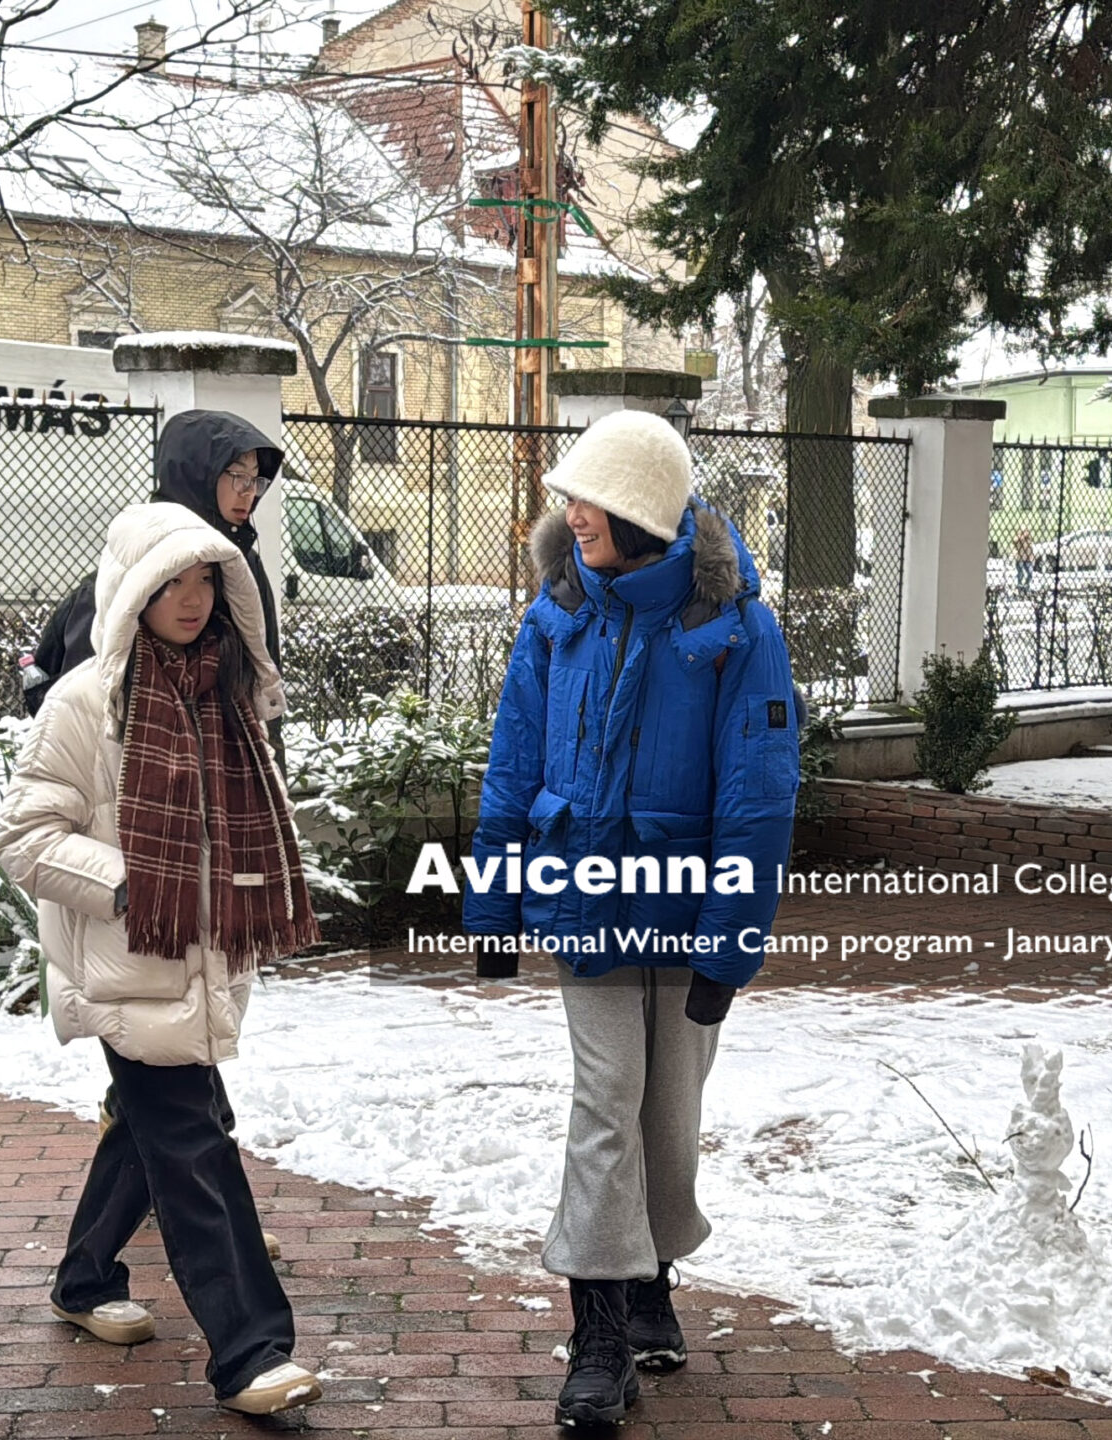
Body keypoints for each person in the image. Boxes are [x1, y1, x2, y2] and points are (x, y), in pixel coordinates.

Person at [462, 411, 800, 1428]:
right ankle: (599, 1333)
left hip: (689, 911)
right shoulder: (557, 613)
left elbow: (758, 797)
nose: (572, 514)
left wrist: (729, 944)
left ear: (644, 512)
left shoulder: (735, 627)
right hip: (585, 902)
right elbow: (513, 761)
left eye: (591, 499)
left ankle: (650, 1277)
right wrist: (493, 900)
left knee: (668, 1115)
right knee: (607, 1104)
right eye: (569, 497)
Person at [0, 501, 323, 1418]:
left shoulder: (231, 693)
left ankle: (84, 1276)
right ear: (132, 591)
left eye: (205, 578)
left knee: (166, 1124)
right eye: (170, 581)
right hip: (126, 963)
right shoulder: (86, 702)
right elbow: (23, 837)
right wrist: (131, 884)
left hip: (203, 959)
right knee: (192, 1144)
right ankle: (251, 1350)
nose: (190, 597)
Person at [22, 410, 283, 713]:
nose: (249, 492)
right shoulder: (136, 557)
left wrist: (266, 741)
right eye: (237, 476)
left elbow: (264, 672)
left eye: (255, 479)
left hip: (229, 738)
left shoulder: (243, 563)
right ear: (196, 474)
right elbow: (81, 706)